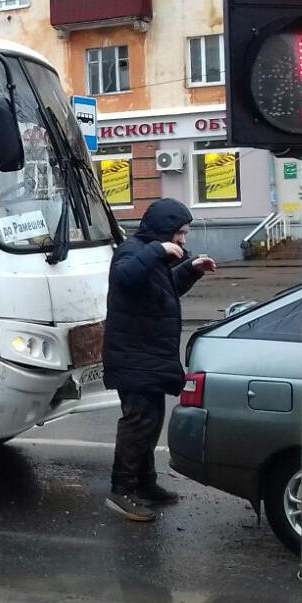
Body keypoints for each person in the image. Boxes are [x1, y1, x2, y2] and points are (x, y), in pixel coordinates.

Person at [103, 197, 216, 521]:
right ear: (164, 229)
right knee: (138, 423)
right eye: (179, 232)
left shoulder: (152, 256)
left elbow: (161, 293)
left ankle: (145, 484)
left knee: (149, 423)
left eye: (185, 232)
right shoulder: (133, 251)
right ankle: (121, 491)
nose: (183, 238)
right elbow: (124, 277)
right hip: (133, 356)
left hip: (146, 355)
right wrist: (159, 251)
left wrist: (190, 271)